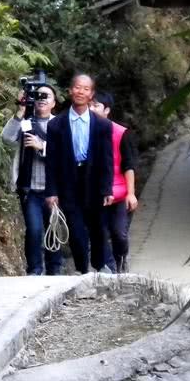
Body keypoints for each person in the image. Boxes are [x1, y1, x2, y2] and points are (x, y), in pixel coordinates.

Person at [44, 72, 114, 273]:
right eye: (77, 87)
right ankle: (82, 269)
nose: (80, 92)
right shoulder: (56, 124)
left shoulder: (102, 125)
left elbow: (107, 159)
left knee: (98, 228)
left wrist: (107, 188)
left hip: (94, 181)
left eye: (85, 88)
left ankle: (100, 266)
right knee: (75, 229)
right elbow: (51, 161)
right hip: (68, 181)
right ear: (69, 91)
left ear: (91, 94)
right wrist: (51, 192)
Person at [1, 84, 63, 275]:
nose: (42, 99)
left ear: (54, 102)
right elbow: (7, 139)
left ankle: (54, 271)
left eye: (47, 96)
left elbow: (67, 155)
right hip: (30, 190)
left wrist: (42, 146)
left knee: (53, 230)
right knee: (34, 231)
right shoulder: (26, 122)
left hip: (54, 190)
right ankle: (34, 270)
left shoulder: (60, 124)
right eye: (38, 96)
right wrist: (20, 111)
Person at [91, 91, 138, 272]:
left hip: (119, 193)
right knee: (99, 233)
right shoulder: (83, 132)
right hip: (95, 193)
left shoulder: (120, 133)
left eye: (96, 105)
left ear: (107, 110)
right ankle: (108, 268)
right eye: (89, 105)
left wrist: (131, 193)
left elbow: (129, 165)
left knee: (119, 234)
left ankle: (121, 259)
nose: (91, 109)